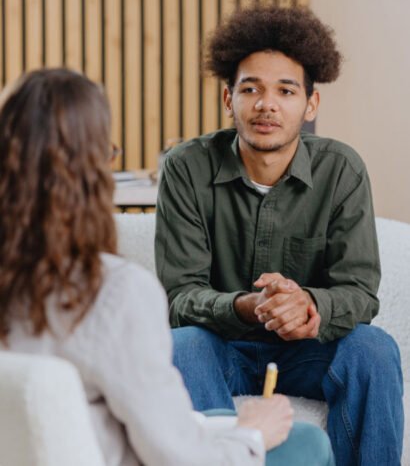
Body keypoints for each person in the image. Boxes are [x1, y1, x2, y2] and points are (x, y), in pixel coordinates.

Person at [0, 68, 335, 466]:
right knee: (307, 443)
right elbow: (178, 458)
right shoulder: (113, 292)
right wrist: (253, 432)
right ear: (91, 171)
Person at [155, 4, 404, 465]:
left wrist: (309, 305)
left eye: (285, 91)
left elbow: (359, 292)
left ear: (310, 104)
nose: (266, 104)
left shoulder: (341, 170)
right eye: (251, 89)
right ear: (229, 99)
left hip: (309, 351)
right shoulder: (186, 168)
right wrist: (247, 307)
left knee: (373, 350)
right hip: (221, 346)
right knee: (183, 345)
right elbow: (181, 297)